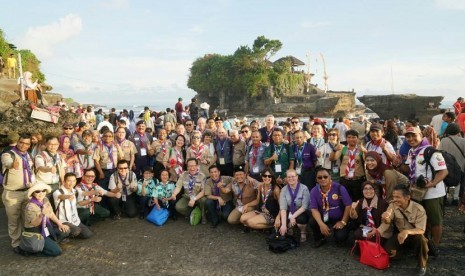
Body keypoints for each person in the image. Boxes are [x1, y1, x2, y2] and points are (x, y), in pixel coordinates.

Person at [405, 126, 447, 254]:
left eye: (414, 135)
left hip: (433, 193)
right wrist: (397, 164)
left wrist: (432, 183)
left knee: (435, 220)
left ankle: (435, 246)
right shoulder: (412, 151)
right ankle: (426, 244)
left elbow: (444, 171)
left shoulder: (430, 151)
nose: (411, 139)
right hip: (417, 193)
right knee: (423, 219)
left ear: (421, 135)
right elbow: (409, 169)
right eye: (408, 136)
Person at [378, 184, 429, 276]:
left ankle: (422, 265)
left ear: (408, 197)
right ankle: (403, 252)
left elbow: (421, 230)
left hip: (414, 235)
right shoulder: (392, 205)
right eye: (393, 196)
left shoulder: (419, 209)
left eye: (398, 197)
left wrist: (406, 232)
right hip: (400, 235)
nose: (394, 199)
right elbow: (388, 221)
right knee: (388, 252)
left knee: (421, 239)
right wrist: (386, 218)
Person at [1, 133, 35, 254]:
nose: (23, 145)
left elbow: (32, 172)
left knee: (26, 219)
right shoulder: (8, 154)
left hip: (26, 192)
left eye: (27, 143)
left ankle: (25, 241)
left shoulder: (29, 156)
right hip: (12, 194)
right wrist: (12, 164)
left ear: (29, 145)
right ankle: (16, 243)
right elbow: (6, 162)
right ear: (17, 142)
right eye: (21, 142)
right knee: (14, 221)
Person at [24, 182, 71, 257]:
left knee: (66, 230)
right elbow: (34, 224)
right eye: (37, 191)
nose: (41, 193)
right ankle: (35, 251)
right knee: (57, 251)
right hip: (36, 231)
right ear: (33, 193)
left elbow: (51, 214)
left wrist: (60, 224)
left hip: (46, 227)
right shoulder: (30, 206)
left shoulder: (45, 200)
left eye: (43, 191)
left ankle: (50, 243)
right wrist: (42, 214)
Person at [309, 167, 352, 248]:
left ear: (330, 177)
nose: (323, 179)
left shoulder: (340, 188)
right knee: (312, 221)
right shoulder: (314, 191)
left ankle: (339, 234)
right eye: (319, 177)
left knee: (341, 237)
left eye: (325, 176)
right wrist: (321, 224)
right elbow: (314, 209)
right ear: (316, 180)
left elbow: (348, 205)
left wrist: (343, 222)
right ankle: (320, 238)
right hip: (324, 216)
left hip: (339, 217)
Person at [53, 173, 93, 239]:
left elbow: (84, 193)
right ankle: (65, 235)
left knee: (87, 234)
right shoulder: (58, 192)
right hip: (63, 220)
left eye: (73, 181)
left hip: (74, 219)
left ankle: (73, 231)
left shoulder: (74, 191)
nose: (71, 183)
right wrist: (68, 196)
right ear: (64, 181)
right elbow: (61, 196)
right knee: (76, 231)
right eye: (69, 181)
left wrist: (97, 191)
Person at [331, 129, 366, 202]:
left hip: (358, 181)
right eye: (349, 137)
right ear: (346, 138)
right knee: (344, 201)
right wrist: (334, 150)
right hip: (345, 181)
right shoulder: (343, 149)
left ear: (357, 138)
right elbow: (332, 158)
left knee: (357, 202)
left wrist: (365, 152)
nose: (351, 139)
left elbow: (367, 160)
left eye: (353, 137)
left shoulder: (361, 149)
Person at [277, 169, 310, 242]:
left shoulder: (304, 188)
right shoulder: (283, 190)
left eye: (293, 176)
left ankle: (303, 232)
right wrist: (283, 225)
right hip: (289, 211)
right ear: (286, 178)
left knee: (301, 219)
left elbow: (304, 206)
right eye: (288, 177)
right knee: (282, 224)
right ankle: (289, 227)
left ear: (297, 177)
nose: (291, 178)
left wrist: (293, 217)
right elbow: (283, 208)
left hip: (301, 211)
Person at [171, 158, 207, 223]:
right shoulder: (184, 175)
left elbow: (203, 191)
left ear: (197, 166)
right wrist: (174, 194)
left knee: (204, 200)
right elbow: (178, 186)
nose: (192, 168)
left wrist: (194, 199)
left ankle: (203, 215)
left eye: (193, 166)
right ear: (187, 167)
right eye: (190, 166)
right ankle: (190, 213)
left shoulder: (202, 176)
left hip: (198, 197)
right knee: (178, 207)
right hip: (187, 196)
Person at [438, 123, 465, 205]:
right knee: (458, 181)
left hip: (447, 165)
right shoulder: (463, 140)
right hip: (460, 165)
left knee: (445, 180)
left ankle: (445, 197)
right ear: (458, 131)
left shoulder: (443, 140)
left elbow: (439, 152)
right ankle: (455, 199)